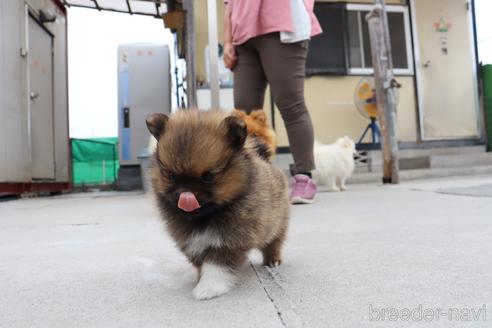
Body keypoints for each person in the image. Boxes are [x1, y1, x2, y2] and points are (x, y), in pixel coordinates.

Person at [223, 0, 322, 204]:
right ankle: (254, 181)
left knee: (290, 104)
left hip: (282, 25)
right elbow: (228, 4)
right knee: (243, 113)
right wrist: (227, 41)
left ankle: (304, 177)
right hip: (243, 34)